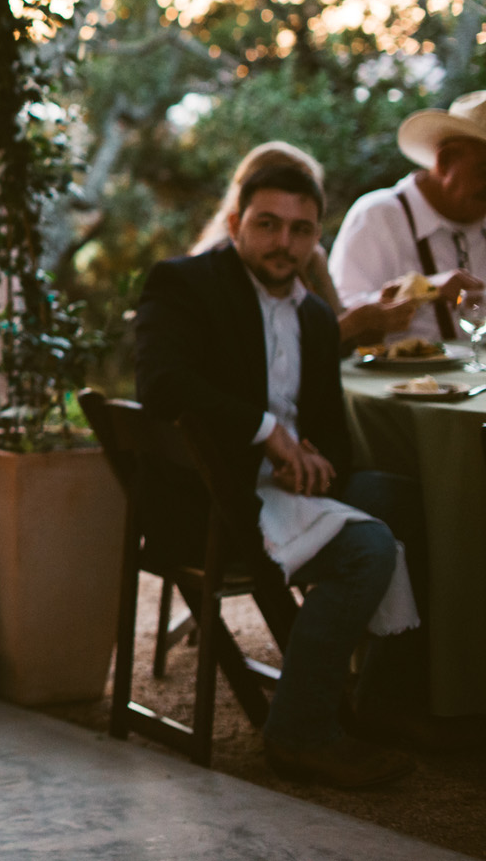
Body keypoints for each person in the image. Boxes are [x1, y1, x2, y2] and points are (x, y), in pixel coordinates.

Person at [136, 161, 432, 788]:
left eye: (300, 230)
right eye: (267, 225)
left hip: (288, 491)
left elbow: (332, 437)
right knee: (367, 547)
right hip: (215, 499)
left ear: (315, 237)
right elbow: (161, 384)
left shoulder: (317, 317)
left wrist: (316, 457)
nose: (283, 243)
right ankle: (299, 734)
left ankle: (378, 699)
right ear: (238, 222)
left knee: (414, 504)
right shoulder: (185, 284)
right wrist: (266, 429)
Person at [192, 141, 415, 348]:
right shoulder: (214, 262)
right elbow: (260, 349)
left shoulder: (310, 255)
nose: (284, 241)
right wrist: (357, 322)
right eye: (268, 224)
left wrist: (378, 318)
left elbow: (339, 343)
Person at [330, 92, 486, 346]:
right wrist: (426, 289)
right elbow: (339, 319)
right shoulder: (378, 216)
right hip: (387, 385)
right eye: (483, 170)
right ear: (445, 161)